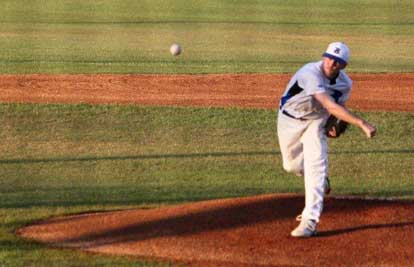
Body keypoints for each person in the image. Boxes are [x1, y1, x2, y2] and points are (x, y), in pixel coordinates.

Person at [277, 42, 376, 237]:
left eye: (337, 61)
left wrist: (335, 125)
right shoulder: (310, 72)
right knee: (291, 166)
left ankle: (310, 221)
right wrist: (361, 123)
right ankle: (321, 181)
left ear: (343, 65)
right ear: (324, 57)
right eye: (329, 58)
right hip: (289, 120)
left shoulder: (345, 84)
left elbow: (337, 108)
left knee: (316, 164)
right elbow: (328, 104)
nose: (331, 63)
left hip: (316, 122)